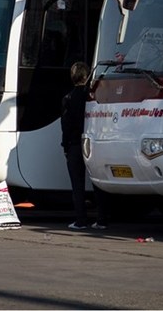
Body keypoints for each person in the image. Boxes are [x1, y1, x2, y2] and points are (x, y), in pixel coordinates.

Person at [61, 61, 109, 230]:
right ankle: (102, 219)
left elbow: (66, 125)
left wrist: (65, 145)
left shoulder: (68, 98)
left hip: (75, 144)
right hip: (93, 143)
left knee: (77, 184)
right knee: (97, 182)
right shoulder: (94, 96)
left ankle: (81, 220)